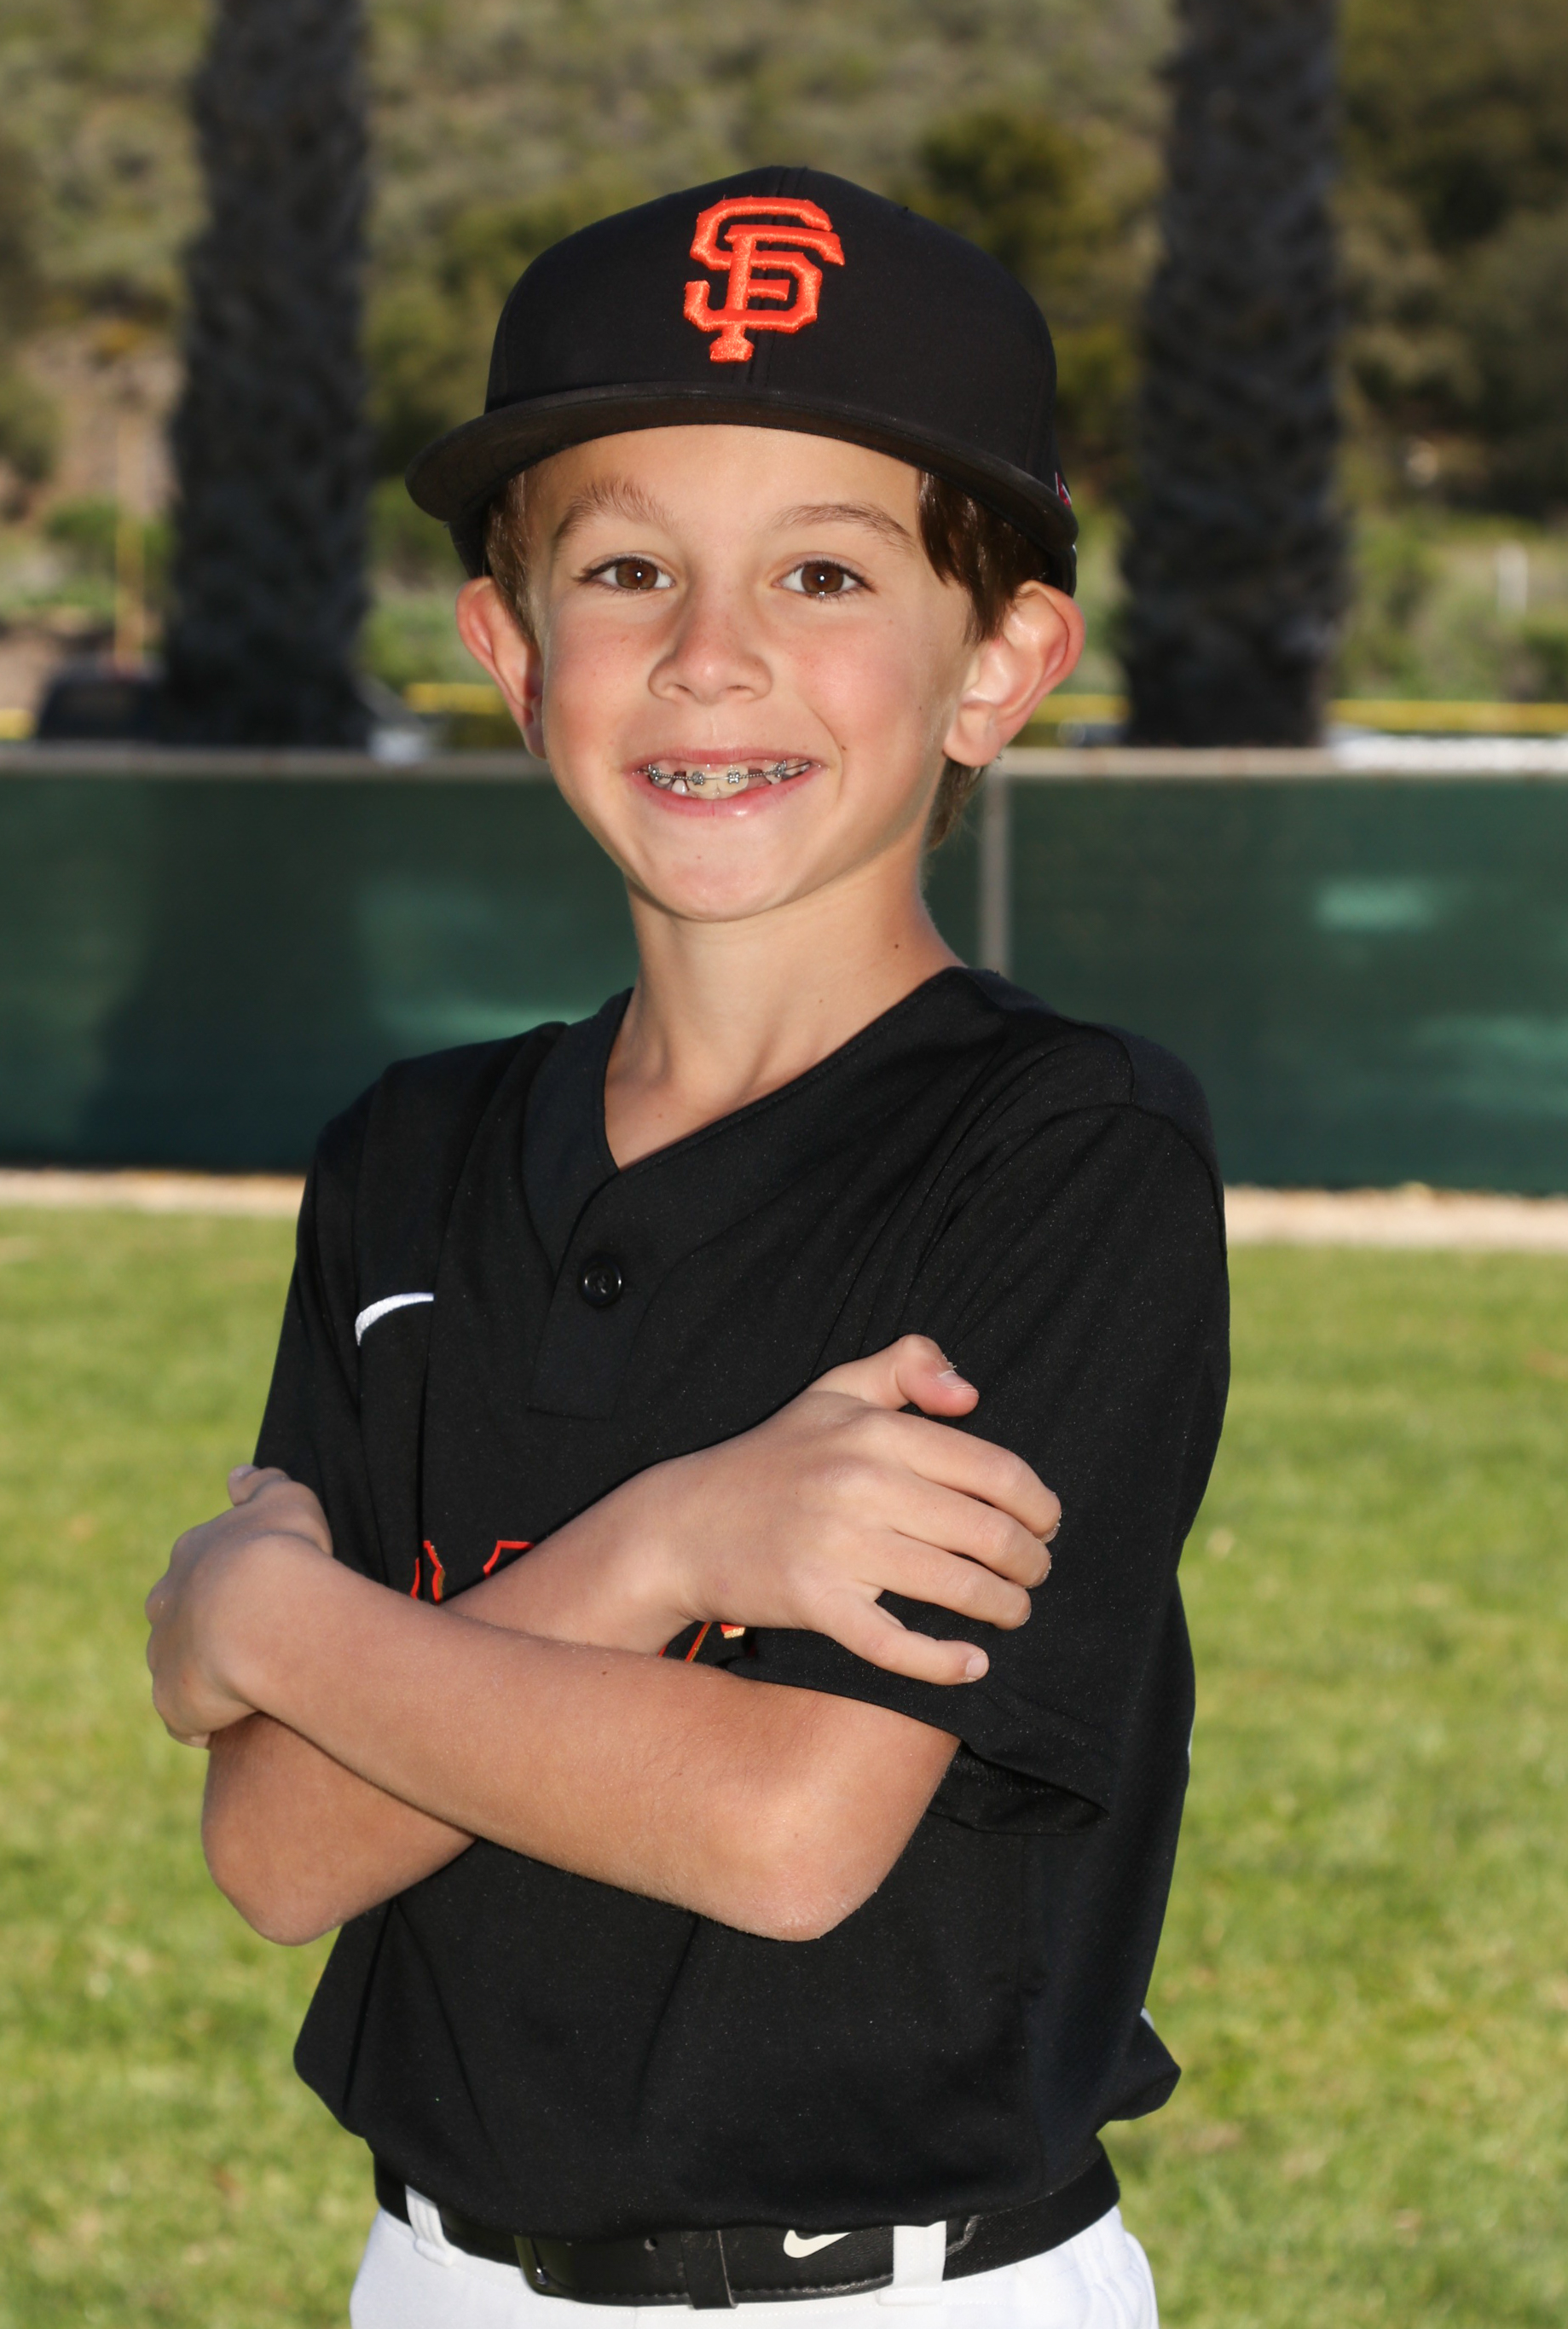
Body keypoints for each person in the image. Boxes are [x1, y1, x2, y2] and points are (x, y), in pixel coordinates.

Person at [146, 169, 1229, 2329]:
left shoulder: (1063, 1150)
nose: (708, 654)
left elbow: (785, 1831)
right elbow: (276, 1851)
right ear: (510, 646)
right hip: (436, 2273)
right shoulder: (409, 1156)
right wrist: (665, 1548)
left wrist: (265, 1615)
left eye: (823, 572)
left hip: (900, 2293)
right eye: (626, 567)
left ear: (998, 664)